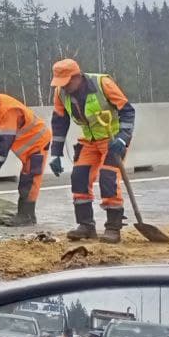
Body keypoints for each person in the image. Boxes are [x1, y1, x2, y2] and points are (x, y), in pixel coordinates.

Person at [48, 58, 136, 243]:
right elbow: (59, 121)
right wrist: (56, 152)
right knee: (79, 177)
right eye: (60, 83)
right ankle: (86, 226)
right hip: (89, 141)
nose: (63, 87)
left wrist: (123, 137)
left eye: (66, 82)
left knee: (108, 178)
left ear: (77, 76)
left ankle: (113, 228)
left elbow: (127, 111)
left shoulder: (102, 83)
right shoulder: (60, 93)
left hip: (112, 141)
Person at [0, 85, 51, 226]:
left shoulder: (7, 110)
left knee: (29, 180)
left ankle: (26, 216)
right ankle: (26, 215)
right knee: (27, 178)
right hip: (29, 147)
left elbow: (6, 140)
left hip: (37, 144)